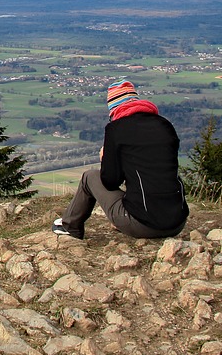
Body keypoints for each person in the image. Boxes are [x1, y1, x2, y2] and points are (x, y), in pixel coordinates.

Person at [53, 80, 188, 240]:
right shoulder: (164, 125)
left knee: (89, 177)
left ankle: (70, 226)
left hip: (144, 225)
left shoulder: (116, 130)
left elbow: (110, 181)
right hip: (177, 223)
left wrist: (106, 160)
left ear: (114, 107)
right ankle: (125, 219)